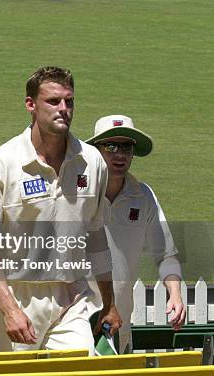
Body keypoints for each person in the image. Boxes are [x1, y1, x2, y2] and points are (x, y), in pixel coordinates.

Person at [0, 66, 121, 355]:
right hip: (16, 294)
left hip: (72, 296)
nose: (63, 108)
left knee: (81, 371)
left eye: (69, 101)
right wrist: (8, 308)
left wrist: (110, 303)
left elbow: (96, 235)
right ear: (31, 105)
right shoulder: (2, 161)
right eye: (53, 101)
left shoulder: (92, 161)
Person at [85, 114, 185, 353]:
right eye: (111, 146)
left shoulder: (144, 197)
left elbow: (165, 255)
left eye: (126, 146)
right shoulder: (76, 194)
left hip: (119, 323)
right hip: (75, 323)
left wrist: (175, 293)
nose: (120, 154)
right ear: (95, 151)